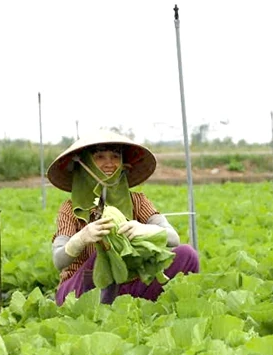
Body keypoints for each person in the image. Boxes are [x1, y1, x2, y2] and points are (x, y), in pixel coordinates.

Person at [47, 129, 200, 305]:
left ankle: (133, 305)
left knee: (187, 254)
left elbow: (173, 238)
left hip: (126, 285)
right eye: (99, 157)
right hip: (80, 293)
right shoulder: (70, 209)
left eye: (115, 156)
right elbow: (58, 260)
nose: (109, 163)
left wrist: (146, 230)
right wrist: (81, 239)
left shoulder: (137, 201)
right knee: (103, 255)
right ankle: (102, 311)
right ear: (84, 163)